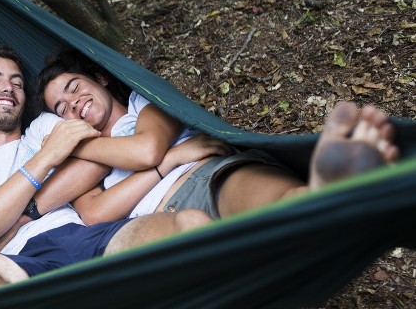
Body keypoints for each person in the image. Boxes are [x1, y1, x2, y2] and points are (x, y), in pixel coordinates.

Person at [0, 46, 220, 308]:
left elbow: (98, 162)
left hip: (88, 238)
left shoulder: (44, 126)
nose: (8, 87)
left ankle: (99, 301)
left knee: (190, 225)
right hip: (14, 265)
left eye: (17, 82)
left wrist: (13, 217)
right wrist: (47, 160)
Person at [35, 48, 399, 224]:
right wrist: (170, 163)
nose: (73, 103)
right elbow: (96, 215)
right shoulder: (80, 156)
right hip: (161, 221)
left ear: (98, 79)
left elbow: (147, 149)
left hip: (211, 176)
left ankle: (329, 191)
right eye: (61, 107)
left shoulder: (142, 101)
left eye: (73, 87)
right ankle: (329, 198)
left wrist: (85, 145)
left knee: (289, 202)